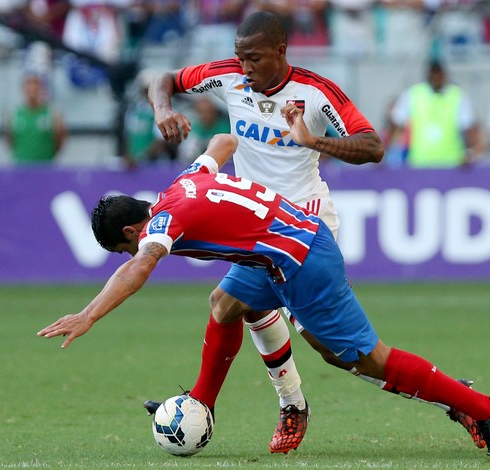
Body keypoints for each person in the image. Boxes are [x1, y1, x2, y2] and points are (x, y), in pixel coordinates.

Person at [146, 11, 483, 453]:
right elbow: (163, 78)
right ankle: (239, 405)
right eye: (240, 57)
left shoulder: (317, 93)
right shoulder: (227, 76)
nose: (245, 67)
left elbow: (373, 146)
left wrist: (312, 141)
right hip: (258, 230)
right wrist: (164, 108)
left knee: (346, 355)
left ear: (281, 51)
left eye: (255, 58)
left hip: (303, 229)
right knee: (228, 304)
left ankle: (462, 401)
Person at [37, 133, 490, 457]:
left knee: (362, 358)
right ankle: (201, 406)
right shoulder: (182, 183)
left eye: (125, 246)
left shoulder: (160, 226)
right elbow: (222, 144)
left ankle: (476, 406)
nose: (131, 252)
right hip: (280, 250)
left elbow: (139, 269)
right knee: (225, 303)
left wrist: (89, 315)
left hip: (302, 260)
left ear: (132, 230)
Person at [386, 60, 485, 168]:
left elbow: (469, 128)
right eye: (434, 74)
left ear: (444, 75)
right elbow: (395, 124)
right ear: (428, 74)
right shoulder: (412, 94)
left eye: (439, 74)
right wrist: (386, 153)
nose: (436, 77)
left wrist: (469, 153)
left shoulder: (458, 96)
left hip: (452, 163)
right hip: (420, 163)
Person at [6, 74, 66, 164]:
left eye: (36, 88)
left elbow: (59, 139)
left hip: (45, 165)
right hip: (21, 166)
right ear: (23, 90)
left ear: (41, 90)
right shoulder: (14, 114)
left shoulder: (52, 113)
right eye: (29, 88)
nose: (32, 92)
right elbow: (10, 140)